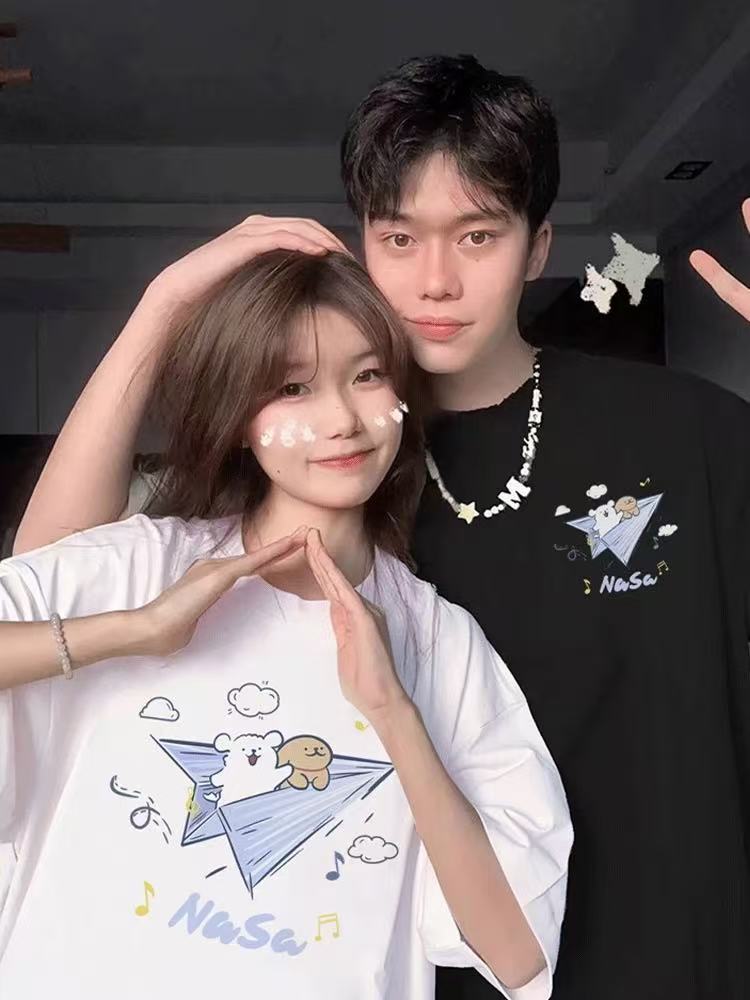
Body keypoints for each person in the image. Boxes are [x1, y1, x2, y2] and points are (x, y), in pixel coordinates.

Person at [11, 52, 750, 1000]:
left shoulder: (678, 429)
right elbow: (46, 584)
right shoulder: (313, 474)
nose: (436, 281)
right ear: (362, 244)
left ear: (536, 247)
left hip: (671, 957)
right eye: (399, 238)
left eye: (478, 236)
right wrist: (164, 307)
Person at [0, 250, 572, 1000]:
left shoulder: (442, 642)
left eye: (368, 375)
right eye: (292, 387)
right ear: (239, 418)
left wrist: (393, 713)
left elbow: (518, 954)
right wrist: (137, 630)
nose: (342, 420)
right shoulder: (140, 566)